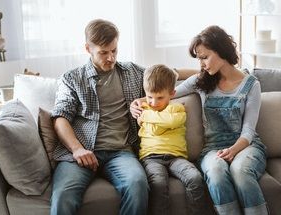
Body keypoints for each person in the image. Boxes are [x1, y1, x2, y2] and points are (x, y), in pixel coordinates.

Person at [131, 25, 268, 215]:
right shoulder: (201, 81)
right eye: (199, 59)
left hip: (245, 146)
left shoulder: (252, 84)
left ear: (221, 50)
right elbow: (166, 93)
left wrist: (234, 150)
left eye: (205, 57)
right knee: (216, 173)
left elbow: (248, 130)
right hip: (213, 148)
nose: (201, 64)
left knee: (240, 172)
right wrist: (138, 102)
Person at [50, 19, 149, 215]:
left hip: (121, 152)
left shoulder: (132, 73)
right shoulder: (72, 79)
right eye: (103, 52)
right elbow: (60, 117)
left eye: (114, 51)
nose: (110, 58)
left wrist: (202, 74)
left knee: (137, 184)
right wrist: (77, 150)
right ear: (88, 48)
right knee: (63, 195)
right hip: (81, 153)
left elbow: (165, 76)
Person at [138, 64, 207, 215]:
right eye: (149, 97)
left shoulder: (177, 108)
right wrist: (158, 118)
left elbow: (172, 122)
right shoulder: (144, 108)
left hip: (177, 157)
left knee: (195, 177)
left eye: (160, 97)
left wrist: (147, 117)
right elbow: (155, 129)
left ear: (172, 93)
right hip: (151, 158)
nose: (154, 103)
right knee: (158, 184)